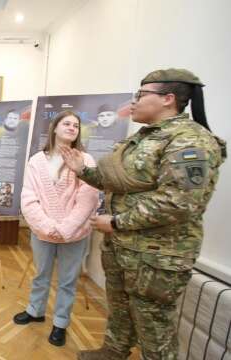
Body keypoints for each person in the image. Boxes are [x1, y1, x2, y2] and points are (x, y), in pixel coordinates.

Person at [60, 69, 226, 360]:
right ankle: (113, 352)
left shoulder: (190, 141)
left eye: (141, 95)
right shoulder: (143, 138)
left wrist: (116, 221)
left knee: (154, 327)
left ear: (168, 99)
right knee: (120, 308)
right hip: (124, 248)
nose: (133, 102)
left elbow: (181, 201)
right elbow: (119, 183)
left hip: (157, 255)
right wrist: (84, 172)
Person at [13, 111, 99, 347]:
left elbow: (88, 199)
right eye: (67, 123)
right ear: (54, 127)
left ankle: (60, 323)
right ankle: (35, 310)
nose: (72, 128)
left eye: (76, 125)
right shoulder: (36, 161)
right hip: (43, 233)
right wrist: (48, 227)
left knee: (67, 281)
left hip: (74, 235)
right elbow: (28, 198)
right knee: (41, 274)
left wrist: (66, 229)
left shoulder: (86, 161)